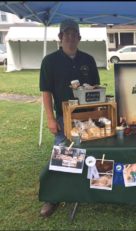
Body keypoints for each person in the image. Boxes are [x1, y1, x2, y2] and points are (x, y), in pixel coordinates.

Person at [39, 19, 100, 217]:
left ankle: (91, 187)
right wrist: (50, 119)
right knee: (62, 155)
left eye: (75, 34)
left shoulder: (88, 60)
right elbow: (46, 93)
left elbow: (97, 88)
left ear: (80, 38)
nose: (71, 37)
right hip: (63, 118)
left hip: (88, 117)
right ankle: (53, 198)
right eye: (67, 34)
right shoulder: (49, 61)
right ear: (60, 37)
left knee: (92, 153)